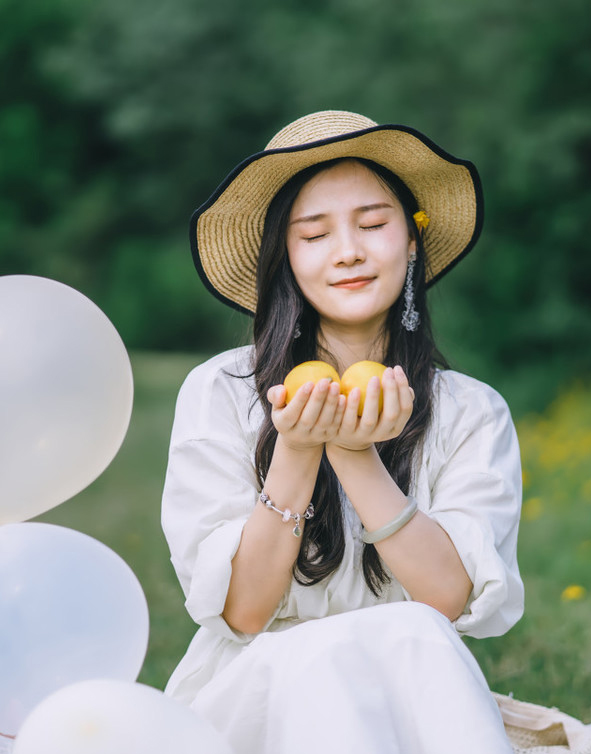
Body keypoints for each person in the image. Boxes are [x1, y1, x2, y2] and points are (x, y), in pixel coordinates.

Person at [160, 111, 523, 753]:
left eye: (374, 224)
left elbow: (445, 601)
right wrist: (297, 450)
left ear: (411, 243)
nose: (349, 251)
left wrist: (357, 458)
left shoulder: (471, 411)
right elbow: (244, 613)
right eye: (314, 234)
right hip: (258, 695)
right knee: (325, 656)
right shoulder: (221, 393)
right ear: (286, 259)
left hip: (408, 687)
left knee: (416, 631)